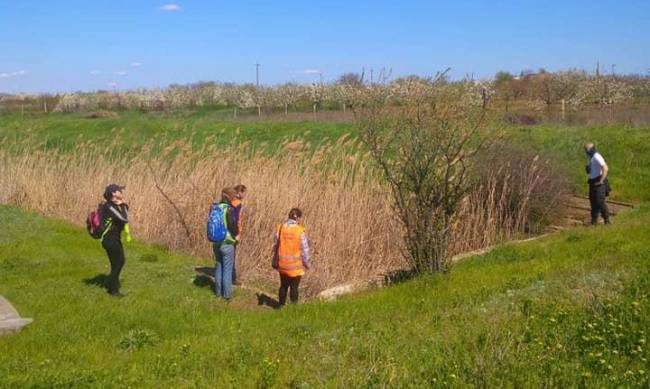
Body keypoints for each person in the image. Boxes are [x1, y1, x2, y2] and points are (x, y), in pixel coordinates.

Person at [273, 208, 311, 306]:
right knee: (294, 287)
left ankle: (280, 306)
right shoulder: (300, 230)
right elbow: (305, 249)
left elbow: (276, 243)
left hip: (282, 264)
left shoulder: (281, 228)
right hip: (295, 266)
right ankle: (293, 309)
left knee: (283, 286)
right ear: (298, 218)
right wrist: (307, 263)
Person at [100, 184, 132, 297]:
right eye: (119, 190)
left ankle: (111, 283)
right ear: (114, 194)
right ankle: (113, 290)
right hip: (109, 239)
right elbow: (123, 218)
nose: (121, 192)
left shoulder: (115, 205)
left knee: (117, 262)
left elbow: (125, 215)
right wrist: (122, 204)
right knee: (119, 262)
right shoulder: (109, 207)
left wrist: (123, 204)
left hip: (115, 238)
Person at [213, 187, 239, 301]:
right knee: (227, 269)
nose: (235, 199)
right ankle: (227, 296)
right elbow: (233, 227)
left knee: (219, 266)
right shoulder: (229, 209)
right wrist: (236, 233)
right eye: (234, 196)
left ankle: (218, 293)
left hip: (216, 242)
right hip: (227, 242)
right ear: (230, 197)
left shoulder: (215, 207)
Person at [584, 143, 610, 225]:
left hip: (599, 180)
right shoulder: (592, 158)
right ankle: (594, 221)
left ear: (591, 149)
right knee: (593, 201)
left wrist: (601, 180)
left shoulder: (597, 156)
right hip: (592, 181)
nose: (586, 152)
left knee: (600, 201)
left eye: (586, 150)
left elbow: (605, 168)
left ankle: (607, 220)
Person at [230, 184, 247, 286]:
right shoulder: (237, 204)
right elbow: (237, 220)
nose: (245, 194)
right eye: (244, 192)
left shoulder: (230, 201)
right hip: (234, 233)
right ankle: (232, 278)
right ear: (239, 192)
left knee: (230, 255)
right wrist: (238, 233)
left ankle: (230, 277)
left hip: (228, 232)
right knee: (232, 255)